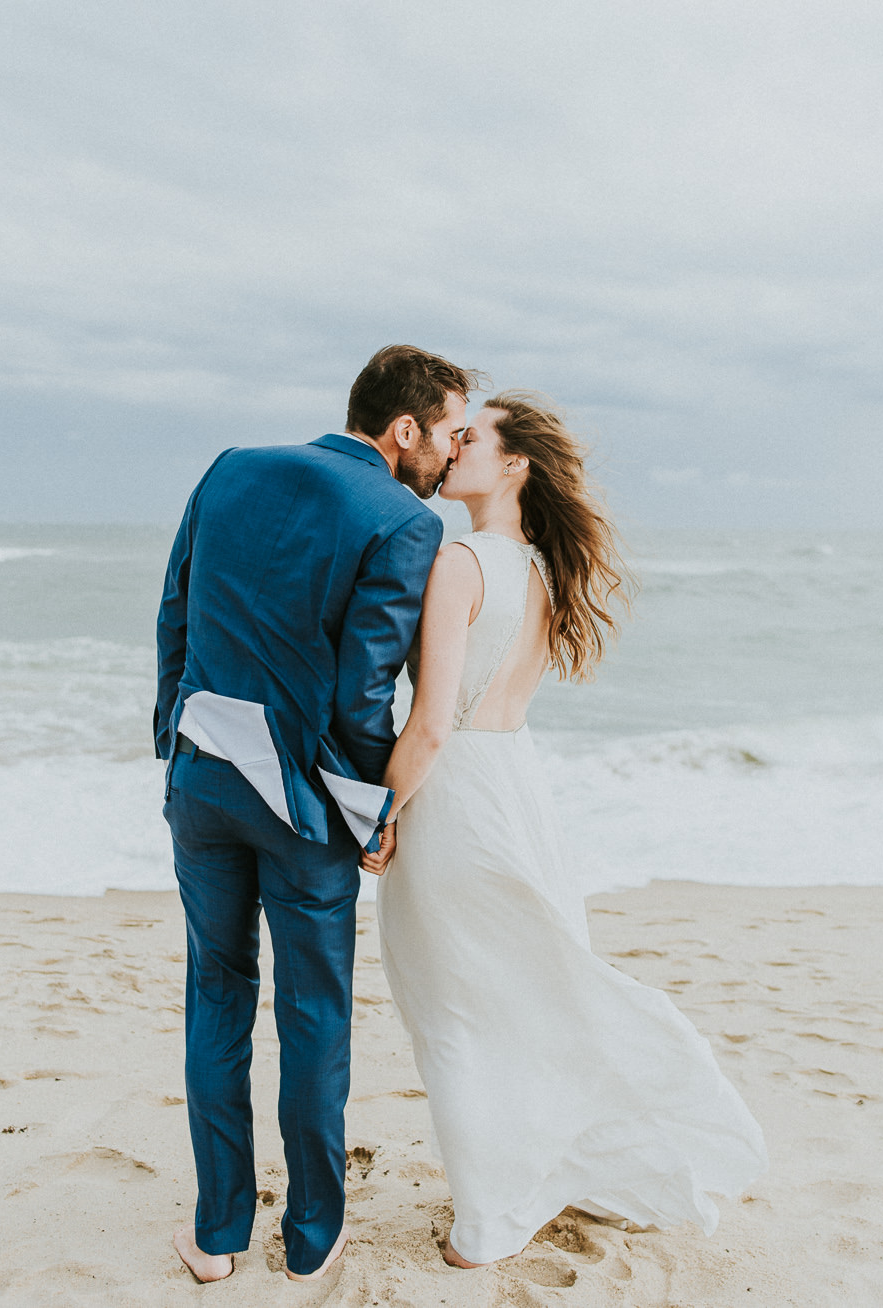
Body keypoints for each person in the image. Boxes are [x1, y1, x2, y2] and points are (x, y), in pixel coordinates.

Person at [365, 391, 768, 1268]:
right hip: (517, 789)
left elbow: (431, 722)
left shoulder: (462, 560)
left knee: (457, 1010)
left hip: (456, 799)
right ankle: (533, 1176)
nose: (452, 446)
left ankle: (485, 1226)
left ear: (513, 465)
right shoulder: (542, 570)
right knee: (524, 995)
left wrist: (381, 815)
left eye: (470, 439)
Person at [153, 344, 482, 1283]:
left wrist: (174, 740)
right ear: (403, 427)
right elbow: (358, 693)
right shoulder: (400, 520)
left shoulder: (229, 469)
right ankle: (308, 1237)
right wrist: (372, 809)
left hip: (202, 783)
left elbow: (174, 611)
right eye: (449, 432)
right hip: (304, 808)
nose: (451, 455)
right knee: (313, 1014)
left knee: (216, 993)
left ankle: (217, 1236)